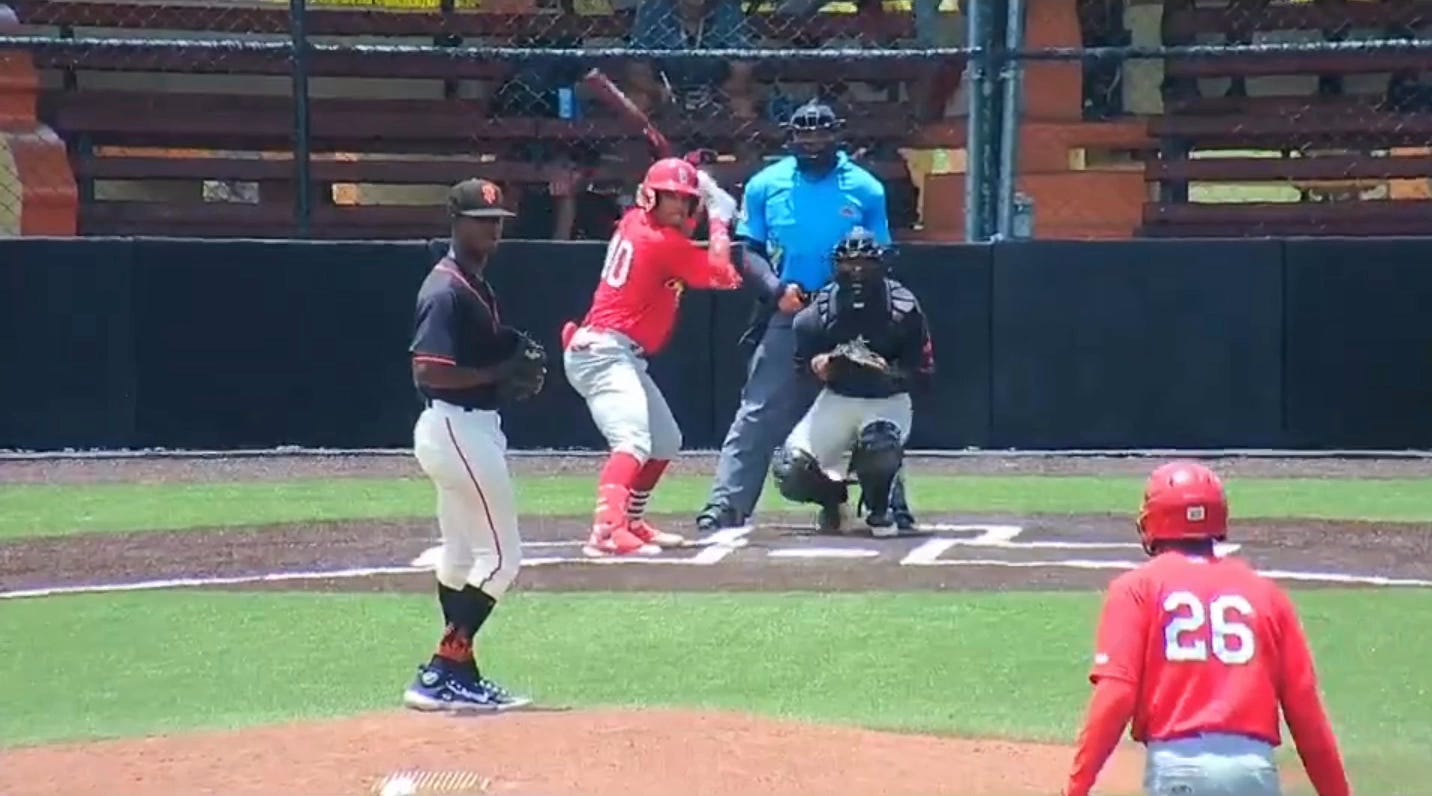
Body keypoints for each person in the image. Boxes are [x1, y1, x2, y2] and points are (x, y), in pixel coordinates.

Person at [1063, 461, 1352, 796]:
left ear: (1153, 519)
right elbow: (1305, 711)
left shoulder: (1135, 589)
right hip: (1253, 771)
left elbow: (1117, 694)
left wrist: (1077, 786)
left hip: (1178, 766)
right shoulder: (1267, 594)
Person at [695, 100, 917, 534]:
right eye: (803, 134)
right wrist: (776, 290)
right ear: (790, 137)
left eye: (821, 133)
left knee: (873, 406)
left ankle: (891, 502)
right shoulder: (765, 184)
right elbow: (748, 250)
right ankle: (727, 503)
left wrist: (862, 299)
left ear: (837, 135)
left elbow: (883, 254)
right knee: (760, 410)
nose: (812, 142)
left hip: (854, 312)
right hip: (792, 309)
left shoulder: (866, 188)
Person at [402, 178, 549, 712]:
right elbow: (429, 369)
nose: (491, 229)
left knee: (462, 556)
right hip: (458, 428)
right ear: (456, 221)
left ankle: (460, 675)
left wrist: (501, 355)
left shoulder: (471, 283)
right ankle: (443, 667)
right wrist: (497, 371)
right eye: (481, 220)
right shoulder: (444, 289)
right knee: (503, 559)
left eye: (497, 221)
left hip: (460, 429)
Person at [561, 157, 743, 557]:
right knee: (632, 442)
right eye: (671, 198)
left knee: (664, 441)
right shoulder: (661, 243)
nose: (679, 206)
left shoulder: (636, 223)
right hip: (603, 352)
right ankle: (606, 531)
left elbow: (681, 238)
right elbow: (722, 275)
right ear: (650, 197)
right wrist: (719, 218)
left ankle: (631, 519)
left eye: (685, 199)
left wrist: (704, 195)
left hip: (614, 351)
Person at [772, 227, 934, 535]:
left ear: (881, 265)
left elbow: (923, 372)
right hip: (838, 398)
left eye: (865, 263)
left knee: (879, 444)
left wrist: (887, 370)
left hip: (887, 402)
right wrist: (820, 367)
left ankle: (881, 506)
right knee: (790, 470)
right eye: (849, 264)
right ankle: (836, 501)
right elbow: (800, 372)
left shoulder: (903, 308)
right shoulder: (817, 312)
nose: (857, 271)